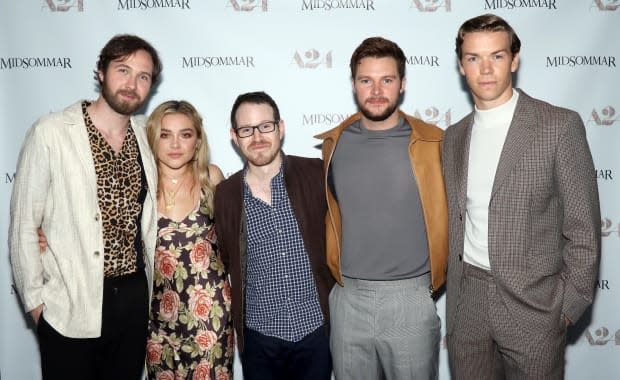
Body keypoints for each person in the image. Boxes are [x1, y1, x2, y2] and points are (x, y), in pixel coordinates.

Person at [443, 14, 601, 379]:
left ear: (514, 60)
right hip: (468, 305)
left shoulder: (558, 125)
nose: (485, 69)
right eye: (473, 58)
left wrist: (566, 306)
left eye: (496, 56)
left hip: (535, 307)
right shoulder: (453, 137)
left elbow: (583, 227)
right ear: (460, 64)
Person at [9, 34, 162, 379]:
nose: (131, 84)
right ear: (100, 72)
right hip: (70, 303)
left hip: (134, 299)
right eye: (122, 70)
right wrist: (37, 306)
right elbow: (23, 225)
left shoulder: (148, 137)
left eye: (143, 76)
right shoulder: (51, 132)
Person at [315, 37, 448, 380]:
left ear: (402, 84)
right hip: (348, 299)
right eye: (366, 80)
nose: (376, 90)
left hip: (410, 299)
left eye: (386, 80)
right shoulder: (335, 143)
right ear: (354, 84)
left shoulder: (435, 143)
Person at [214, 91, 335, 380]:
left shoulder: (315, 173)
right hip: (259, 339)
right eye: (246, 130)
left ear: (280, 128)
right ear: (234, 136)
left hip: (316, 330)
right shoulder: (226, 195)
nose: (257, 137)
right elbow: (226, 259)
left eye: (265, 126)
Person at [144, 101, 234, 379]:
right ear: (152, 138)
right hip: (157, 318)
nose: (175, 144)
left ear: (197, 141)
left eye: (185, 134)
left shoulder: (211, 178)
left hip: (212, 316)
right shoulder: (142, 187)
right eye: (165, 134)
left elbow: (237, 234)